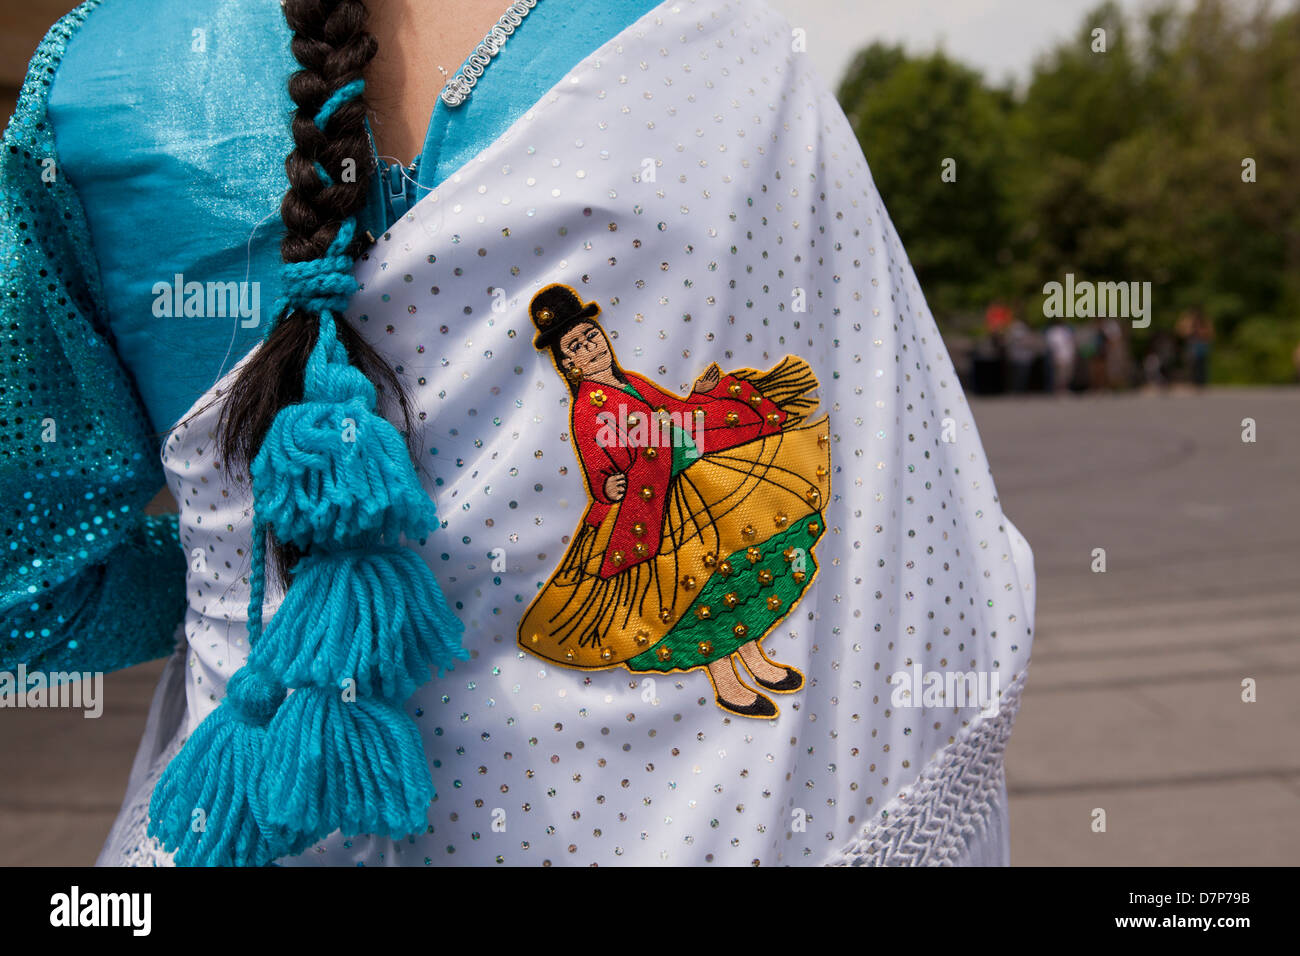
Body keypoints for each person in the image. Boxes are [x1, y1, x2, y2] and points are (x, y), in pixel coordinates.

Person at [2, 0, 1035, 867]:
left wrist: (236, 583)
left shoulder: (100, 89)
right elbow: (908, 530)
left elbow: (28, 589)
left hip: (257, 808)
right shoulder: (713, 45)